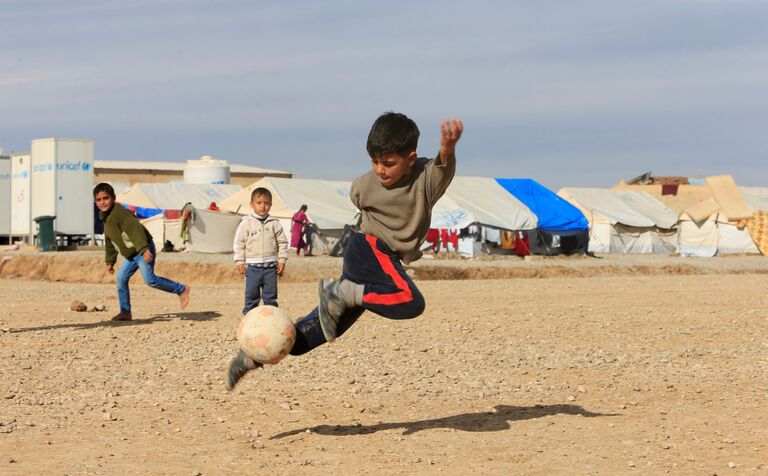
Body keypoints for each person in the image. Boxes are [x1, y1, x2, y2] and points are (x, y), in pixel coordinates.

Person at [227, 112, 463, 389]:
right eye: (375, 162)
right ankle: (345, 294)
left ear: (411, 159)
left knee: (312, 336)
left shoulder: (425, 179)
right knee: (410, 302)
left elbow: (443, 166)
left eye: (388, 163)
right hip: (372, 250)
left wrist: (447, 147)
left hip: (368, 257)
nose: (380, 170)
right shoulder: (364, 185)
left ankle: (251, 356)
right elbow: (363, 202)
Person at [93, 183, 190, 321]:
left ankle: (181, 289)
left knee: (150, 280)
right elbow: (110, 240)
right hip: (132, 253)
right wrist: (110, 261)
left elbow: (136, 230)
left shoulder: (119, 213)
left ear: (113, 198)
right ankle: (125, 312)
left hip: (143, 248)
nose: (102, 202)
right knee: (121, 278)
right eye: (99, 200)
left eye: (106, 198)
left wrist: (144, 249)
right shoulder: (105, 217)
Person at [233, 187, 288, 314]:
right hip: (252, 268)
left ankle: (271, 323)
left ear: (271, 205)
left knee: (270, 298)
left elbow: (282, 243)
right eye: (259, 203)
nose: (263, 206)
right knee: (251, 298)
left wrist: (282, 260)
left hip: (270, 268)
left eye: (266, 203)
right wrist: (239, 261)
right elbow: (239, 243)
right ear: (252, 204)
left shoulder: (274, 224)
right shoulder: (246, 223)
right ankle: (248, 322)